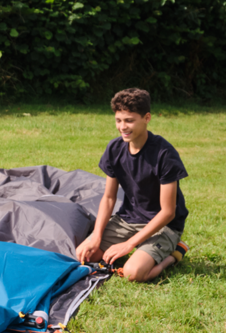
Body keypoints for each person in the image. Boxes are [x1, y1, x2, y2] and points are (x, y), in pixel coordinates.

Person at [74, 88, 190, 283]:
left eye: (129, 120)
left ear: (147, 118)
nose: (123, 127)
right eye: (118, 120)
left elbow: (168, 212)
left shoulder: (164, 154)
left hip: (163, 225)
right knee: (84, 255)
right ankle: (142, 250)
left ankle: (175, 254)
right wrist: (96, 236)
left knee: (132, 273)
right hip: (128, 219)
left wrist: (128, 244)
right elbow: (109, 198)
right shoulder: (114, 149)